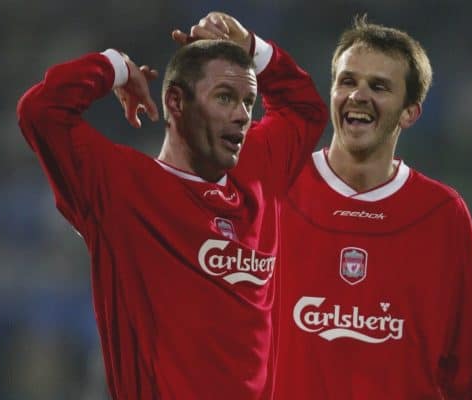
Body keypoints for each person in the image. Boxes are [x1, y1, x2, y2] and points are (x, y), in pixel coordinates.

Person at [17, 12, 327, 400]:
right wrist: (115, 67)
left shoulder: (258, 172)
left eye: (249, 102)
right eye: (225, 98)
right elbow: (42, 110)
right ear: (176, 102)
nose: (243, 116)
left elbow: (306, 109)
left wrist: (252, 46)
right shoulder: (120, 189)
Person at [273, 16, 472, 399]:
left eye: (378, 86)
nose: (359, 95)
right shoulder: (278, 188)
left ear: (409, 113)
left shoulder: (441, 214)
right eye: (347, 81)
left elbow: (471, 363)